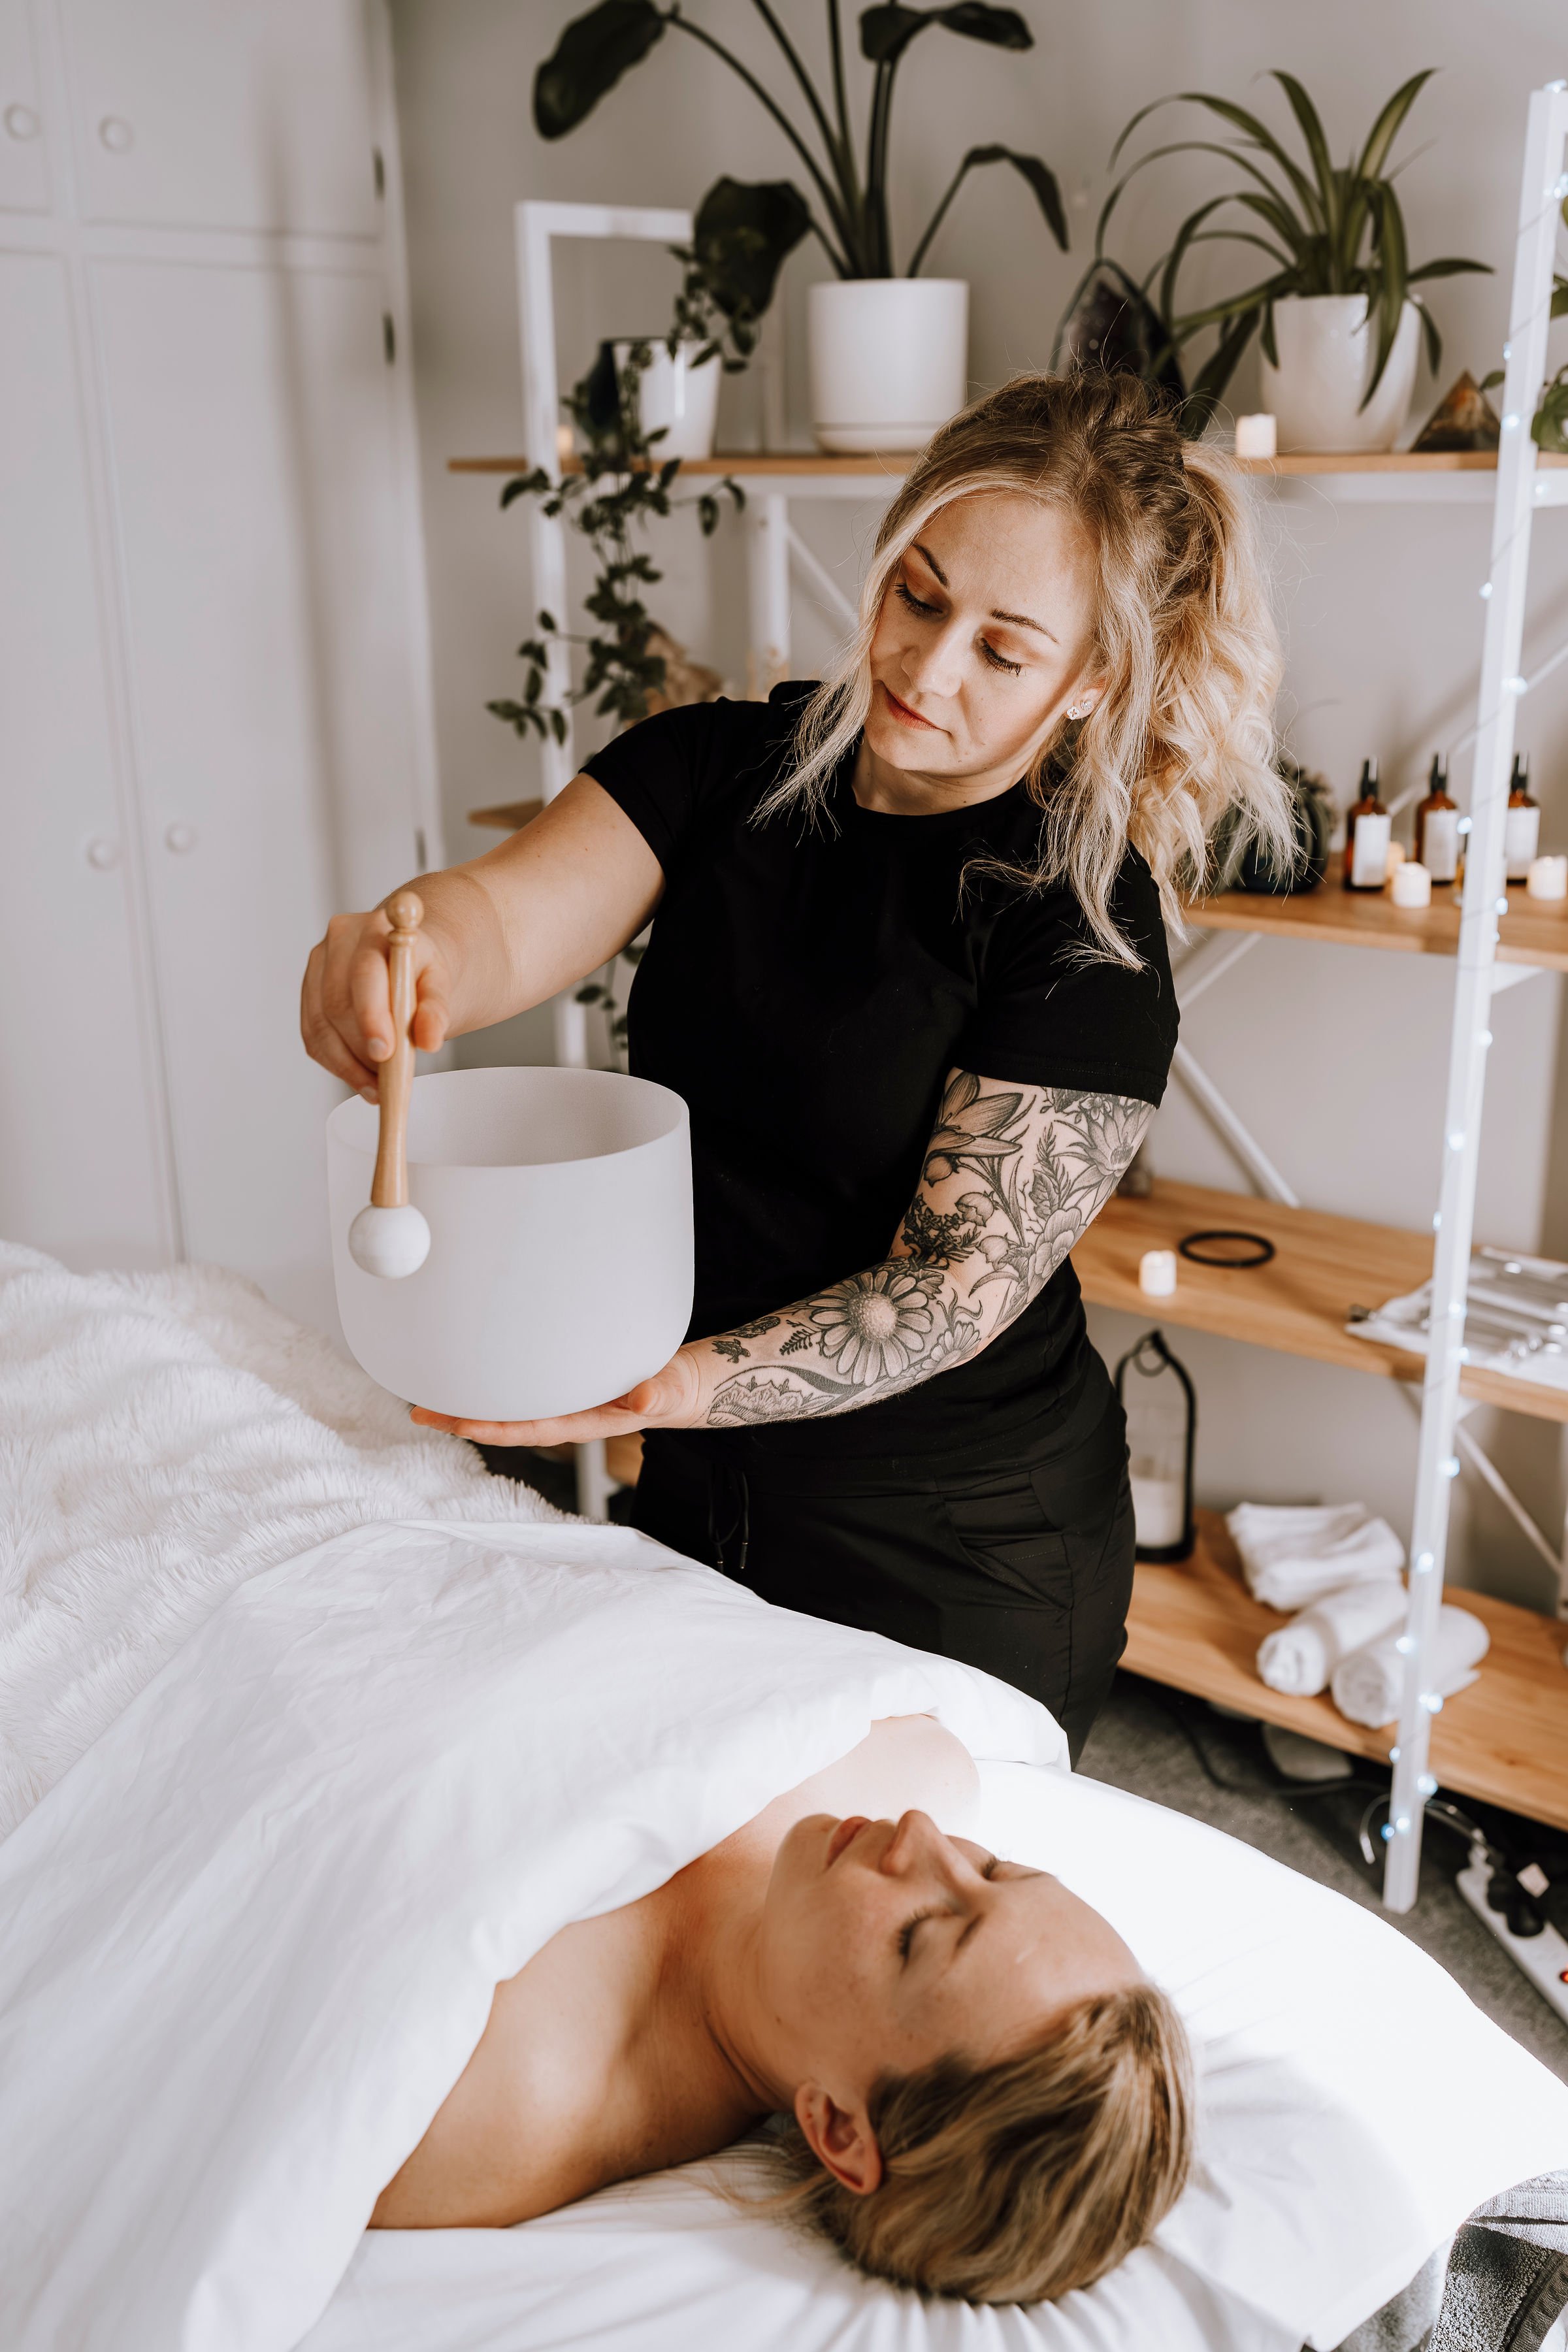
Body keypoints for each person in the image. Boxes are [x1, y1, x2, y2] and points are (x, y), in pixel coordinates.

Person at [302, 371, 1286, 1761]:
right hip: (701, 1491)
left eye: (1004, 652)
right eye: (920, 593)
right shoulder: (720, 769)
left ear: (1092, 684)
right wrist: (402, 945)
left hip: (955, 1547)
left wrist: (676, 1386)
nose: (926, 667)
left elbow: (951, 1286)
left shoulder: (1080, 925)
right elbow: (502, 917)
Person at [368, 1710, 1194, 2306]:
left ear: (837, 2126)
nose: (922, 1834)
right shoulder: (907, 1763)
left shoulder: (485, 2099)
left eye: (920, 1936)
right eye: (1002, 1870)